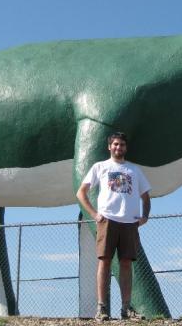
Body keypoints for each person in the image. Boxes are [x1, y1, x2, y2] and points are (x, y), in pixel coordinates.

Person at [76, 132, 151, 321]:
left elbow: (145, 196)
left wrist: (145, 216)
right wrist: (94, 214)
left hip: (129, 222)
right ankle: (101, 309)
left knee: (126, 263)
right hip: (107, 220)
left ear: (126, 148)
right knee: (105, 262)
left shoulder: (134, 170)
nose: (119, 147)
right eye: (115, 144)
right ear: (109, 146)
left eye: (122, 144)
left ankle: (127, 308)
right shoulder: (100, 167)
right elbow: (81, 193)